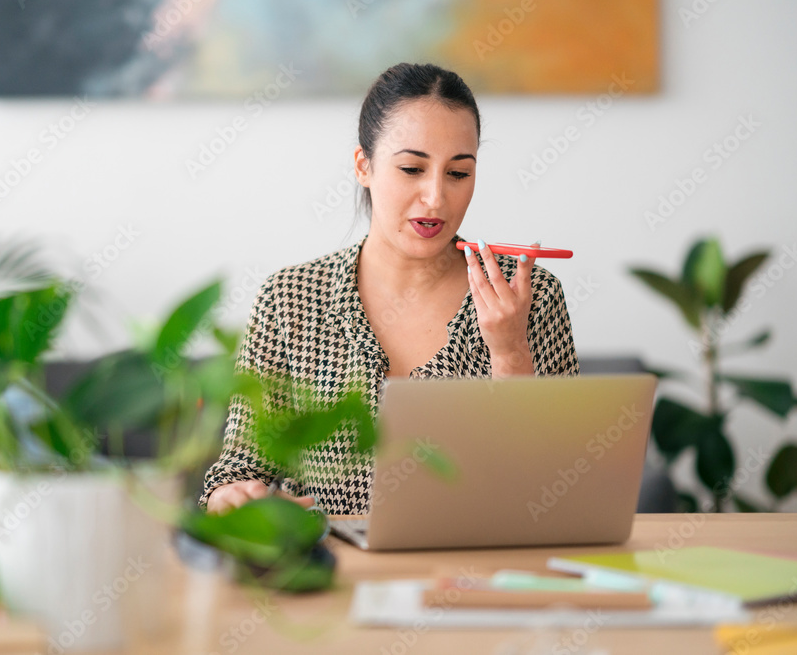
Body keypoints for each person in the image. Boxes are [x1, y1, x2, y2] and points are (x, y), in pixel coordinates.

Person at [200, 62, 578, 516]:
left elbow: (559, 486)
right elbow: (241, 467)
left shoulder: (528, 294)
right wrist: (235, 497)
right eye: (412, 168)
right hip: (331, 577)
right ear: (364, 166)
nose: (436, 197)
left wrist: (511, 353)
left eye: (458, 174)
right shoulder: (288, 299)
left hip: (476, 576)